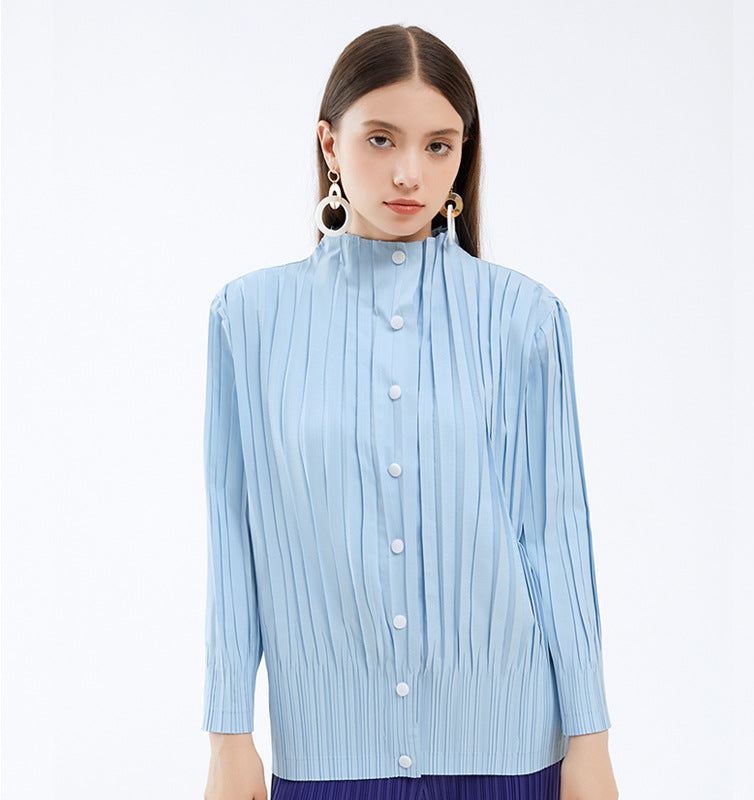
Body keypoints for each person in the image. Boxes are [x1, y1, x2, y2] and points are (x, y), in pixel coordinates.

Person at [201, 23, 619, 800]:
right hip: (329, 757)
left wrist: (589, 742)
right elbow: (235, 535)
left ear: (464, 155)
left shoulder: (524, 318)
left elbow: (554, 535)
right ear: (330, 144)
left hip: (510, 751)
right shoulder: (248, 318)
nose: (408, 173)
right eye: (381, 138)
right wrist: (229, 735)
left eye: (438, 146)